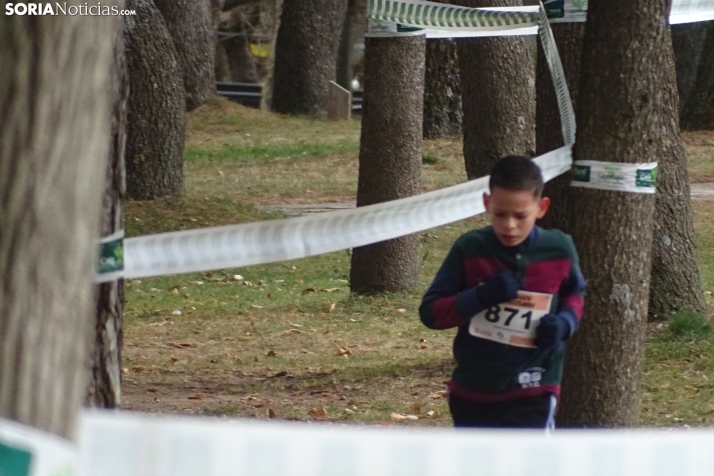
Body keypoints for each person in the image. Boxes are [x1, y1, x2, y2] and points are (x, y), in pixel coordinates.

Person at [419, 155, 586, 429]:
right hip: (473, 389)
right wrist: (480, 296)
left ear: (541, 207)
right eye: (500, 213)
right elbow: (431, 313)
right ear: (487, 203)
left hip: (534, 387)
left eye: (521, 216)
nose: (509, 225)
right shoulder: (469, 248)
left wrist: (564, 324)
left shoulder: (559, 248)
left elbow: (575, 291)